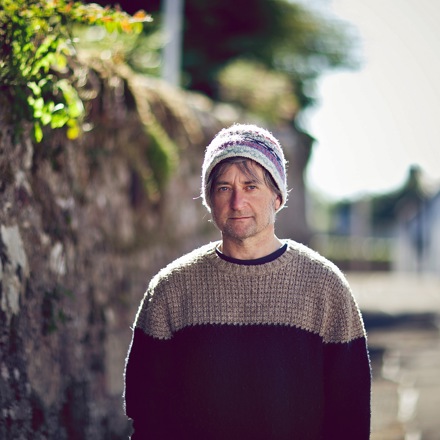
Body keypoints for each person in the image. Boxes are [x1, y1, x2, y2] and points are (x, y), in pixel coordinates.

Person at [124, 124, 371, 439]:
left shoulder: (325, 286)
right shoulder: (170, 290)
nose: (237, 202)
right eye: (224, 188)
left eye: (251, 186)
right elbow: (147, 414)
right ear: (209, 199)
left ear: (277, 197)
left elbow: (350, 415)